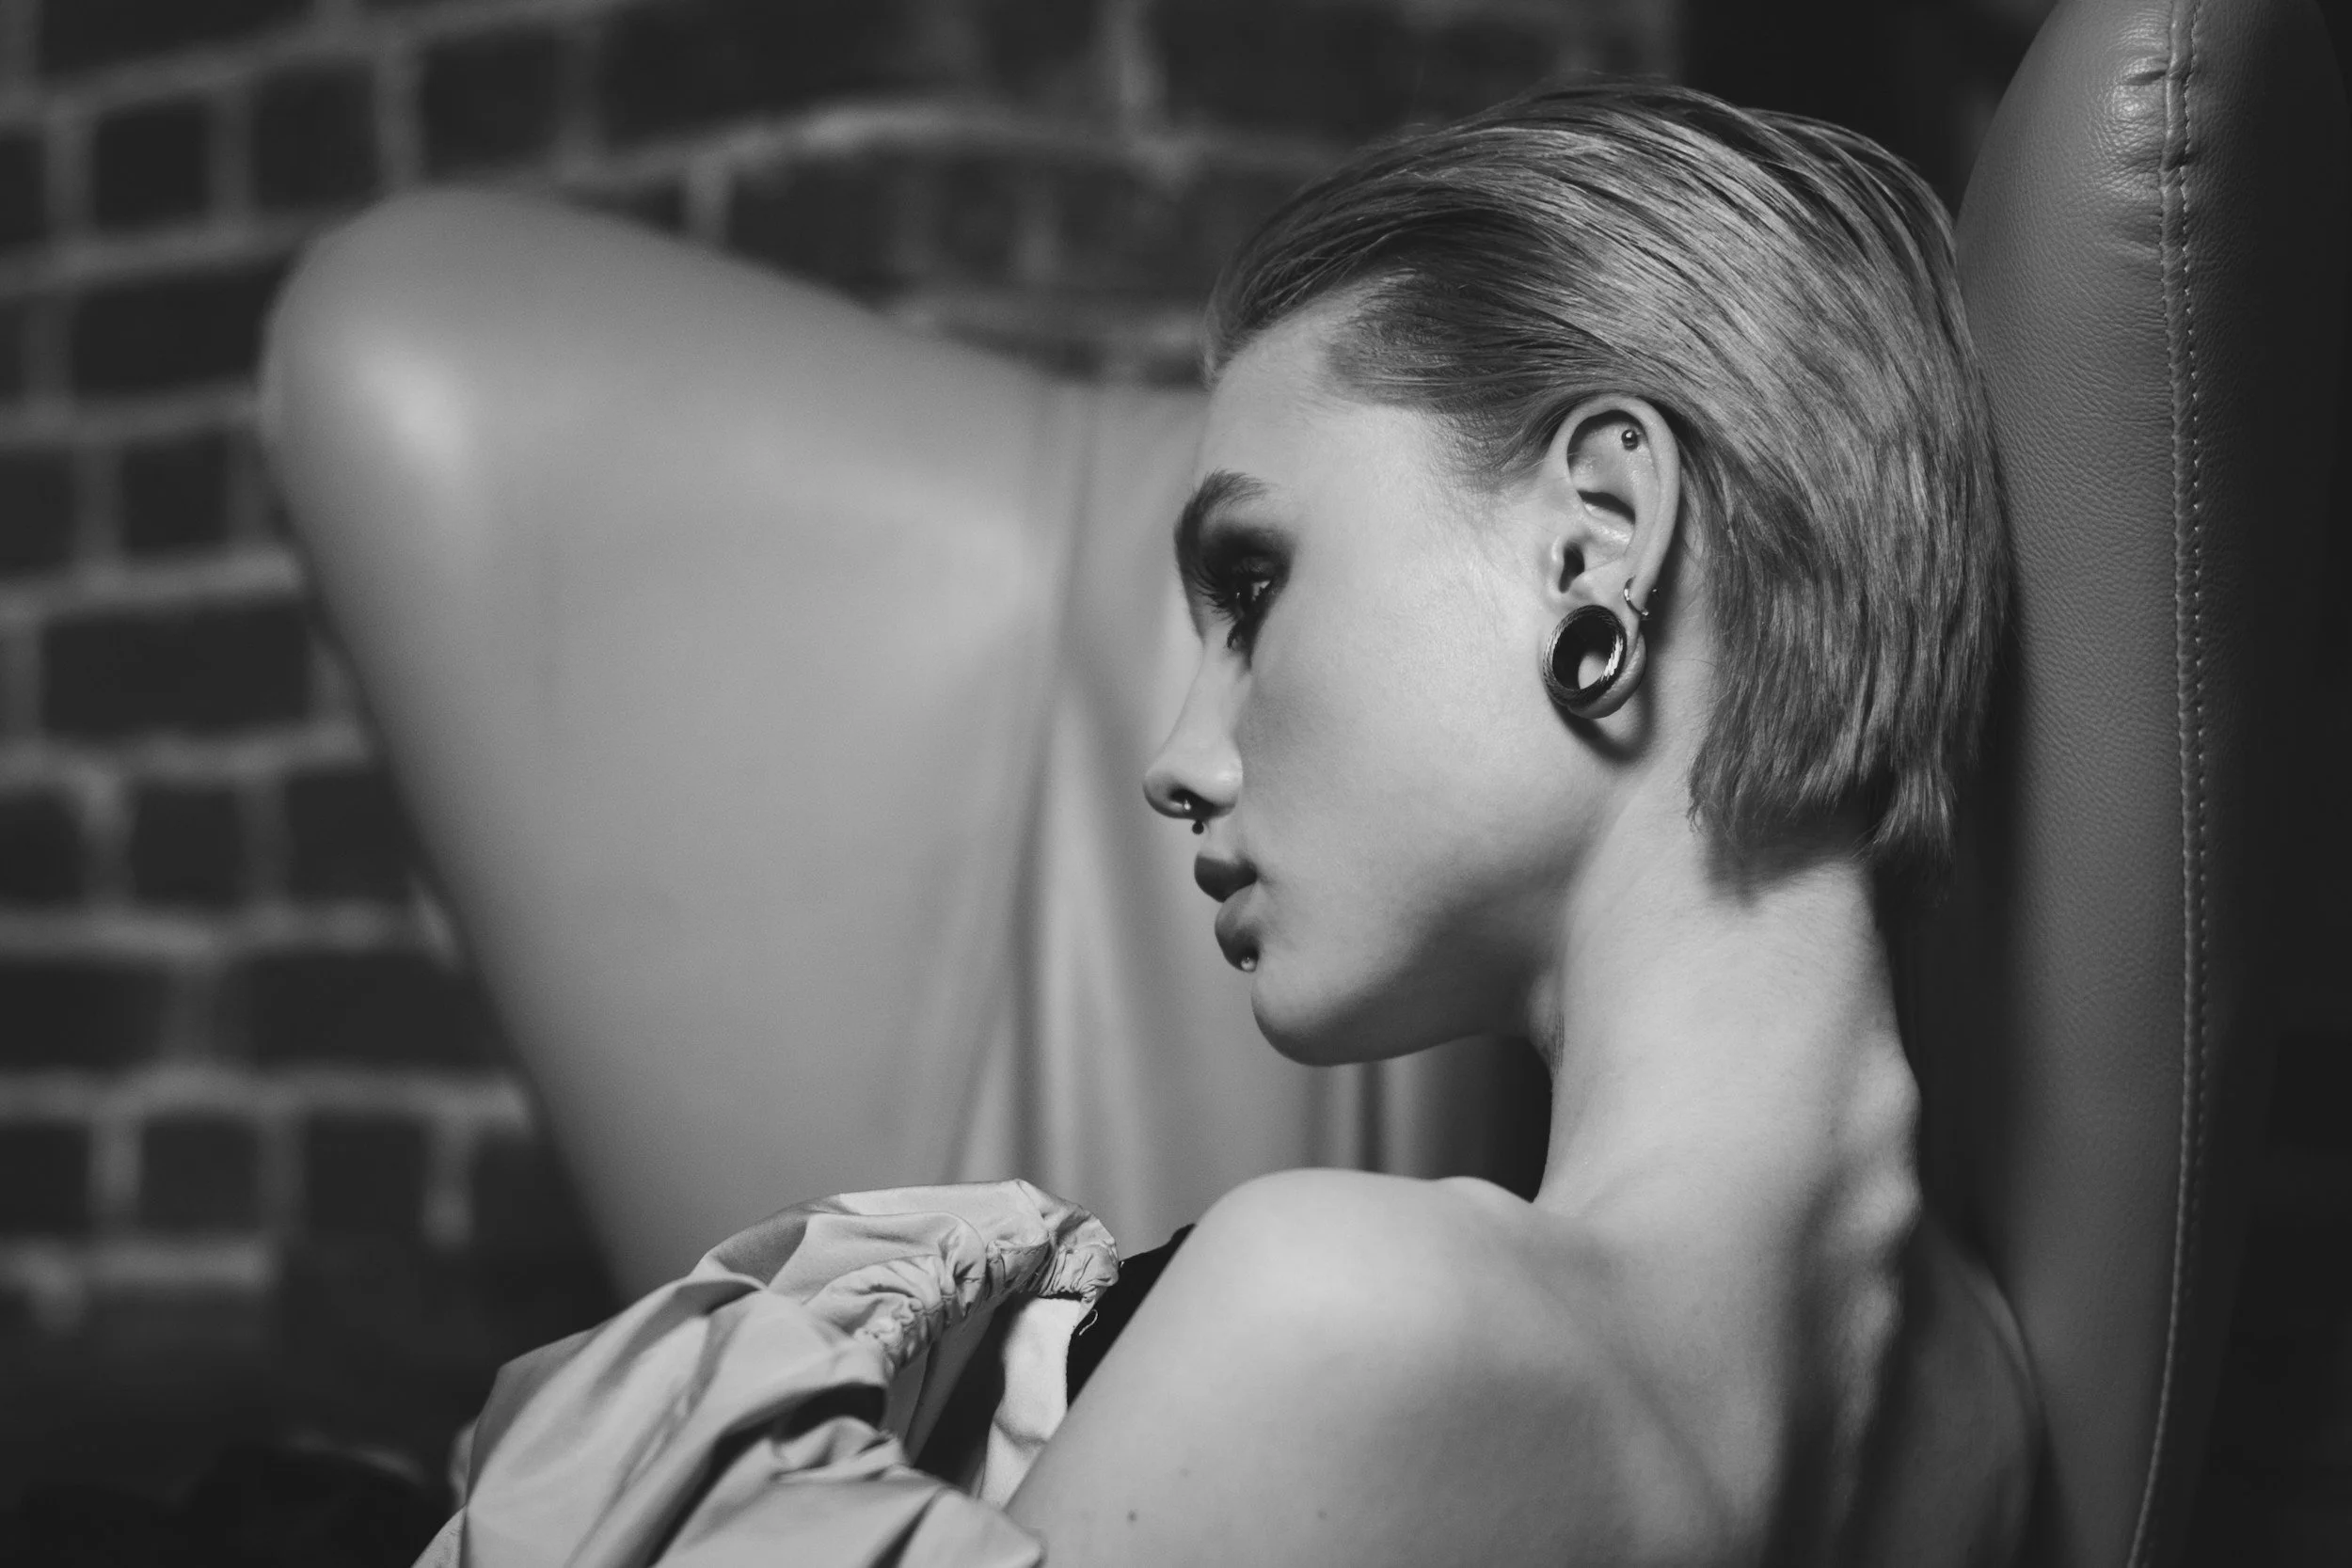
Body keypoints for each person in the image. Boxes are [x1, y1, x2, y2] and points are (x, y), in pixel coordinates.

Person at [423, 82, 2037, 1568]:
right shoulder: (1991, 1423)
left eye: (1252, 587)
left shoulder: (1347, 1323)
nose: (1182, 758)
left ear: (1595, 542)